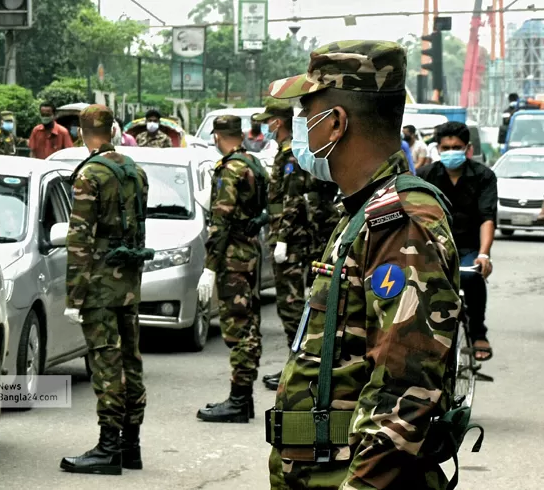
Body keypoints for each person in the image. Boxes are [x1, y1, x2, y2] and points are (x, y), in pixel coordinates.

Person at [265, 40, 462, 489]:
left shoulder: (401, 220)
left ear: (334, 123)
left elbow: (406, 391)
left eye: (305, 111)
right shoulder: (366, 212)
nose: (299, 127)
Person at [60, 104, 151, 476]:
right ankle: (131, 445)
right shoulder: (135, 171)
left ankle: (108, 448)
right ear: (112, 129)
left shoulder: (90, 175)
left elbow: (79, 239)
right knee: (130, 358)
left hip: (99, 284)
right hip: (128, 280)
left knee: (106, 362)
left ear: (82, 133)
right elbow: (141, 229)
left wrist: (74, 295)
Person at [253, 98, 340, 391]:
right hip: (294, 236)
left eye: (269, 121)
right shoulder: (286, 152)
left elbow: (292, 201)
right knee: (293, 303)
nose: (266, 126)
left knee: (289, 303)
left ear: (279, 122)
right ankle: (299, 363)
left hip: (293, 240)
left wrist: (281, 240)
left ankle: (300, 366)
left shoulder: (291, 155)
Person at [196, 115, 268, 423]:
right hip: (250, 252)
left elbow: (221, 221)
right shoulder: (254, 164)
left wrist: (210, 266)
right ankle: (244, 397)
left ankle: (239, 400)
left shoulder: (230, 169)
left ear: (217, 136)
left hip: (233, 259)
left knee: (238, 329)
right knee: (250, 324)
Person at [417, 121, 497, 361]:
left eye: (457, 147)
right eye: (446, 147)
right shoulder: (424, 176)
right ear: (438, 149)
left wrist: (484, 254)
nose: (452, 151)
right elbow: (415, 216)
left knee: (472, 276)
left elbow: (487, 218)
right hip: (433, 246)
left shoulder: (484, 176)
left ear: (467, 148)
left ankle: (478, 332)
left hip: (469, 247)